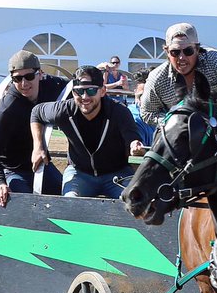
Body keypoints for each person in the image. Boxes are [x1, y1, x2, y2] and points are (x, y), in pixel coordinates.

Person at [30, 65, 145, 199]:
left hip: (117, 174)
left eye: (91, 91)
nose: (84, 97)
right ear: (73, 93)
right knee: (70, 202)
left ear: (102, 91)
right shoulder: (64, 110)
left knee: (132, 202)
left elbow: (133, 139)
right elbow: (36, 112)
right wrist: (38, 147)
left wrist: (135, 145)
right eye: (79, 91)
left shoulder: (119, 111)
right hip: (79, 173)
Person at [0, 50, 66, 207]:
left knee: (67, 199)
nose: (24, 84)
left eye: (29, 77)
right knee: (24, 204)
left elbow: (78, 90)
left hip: (42, 165)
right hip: (12, 170)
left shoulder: (53, 86)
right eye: (17, 78)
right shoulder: (6, 109)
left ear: (40, 74)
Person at [139, 22, 217, 126]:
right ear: (167, 52)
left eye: (188, 51)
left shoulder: (212, 59)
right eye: (175, 52)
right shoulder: (156, 78)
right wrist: (172, 121)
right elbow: (147, 113)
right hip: (183, 133)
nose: (181, 57)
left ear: (197, 49)